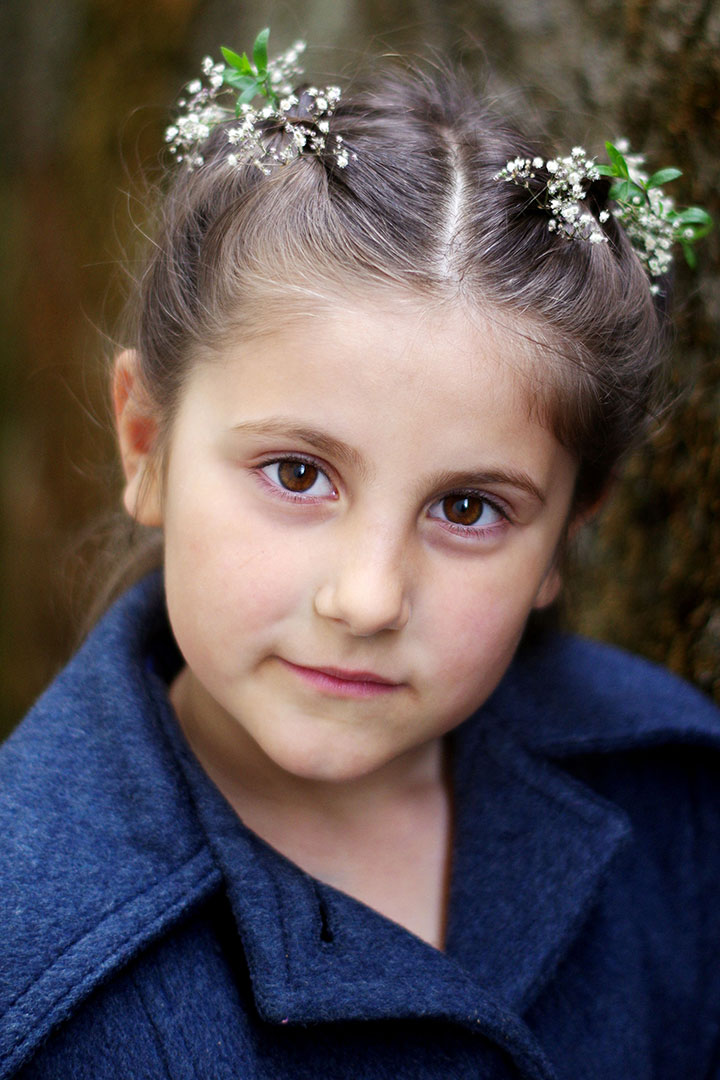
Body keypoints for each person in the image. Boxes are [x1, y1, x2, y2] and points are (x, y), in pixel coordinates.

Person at [1, 32, 718, 1080]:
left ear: (567, 534)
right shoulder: (33, 953)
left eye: (469, 507)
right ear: (146, 445)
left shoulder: (676, 800)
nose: (369, 596)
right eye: (298, 475)